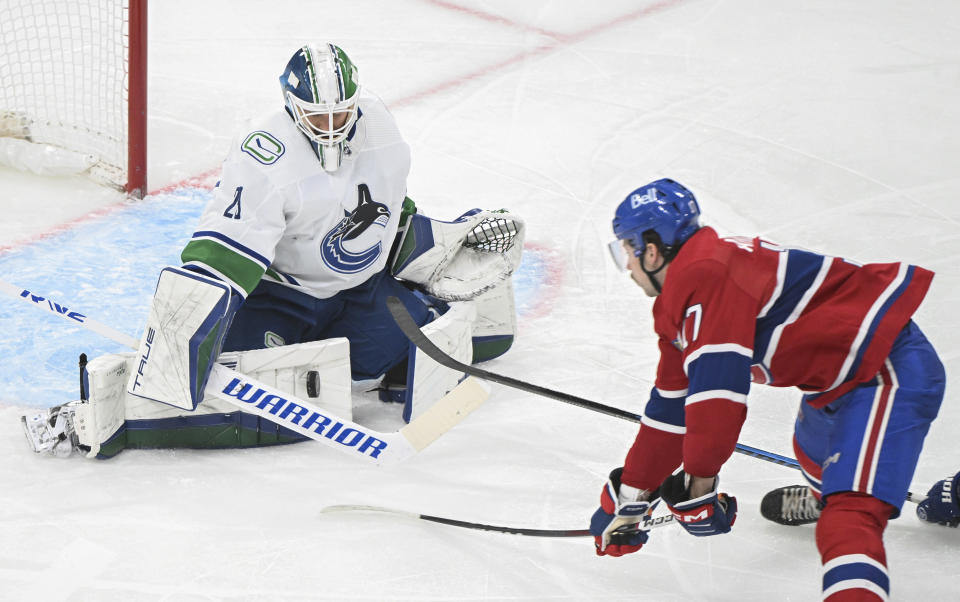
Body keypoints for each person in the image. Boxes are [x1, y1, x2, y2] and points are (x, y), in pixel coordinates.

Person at [22, 42, 524, 459]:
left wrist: (441, 242)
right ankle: (115, 419)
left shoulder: (381, 128)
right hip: (281, 295)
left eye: (340, 113)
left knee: (379, 358)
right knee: (277, 389)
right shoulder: (265, 151)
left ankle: (415, 328)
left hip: (361, 288)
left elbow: (388, 214)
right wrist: (182, 340)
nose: (330, 126)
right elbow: (225, 252)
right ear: (291, 105)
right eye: (316, 115)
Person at [589, 178, 946, 601]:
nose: (626, 265)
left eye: (625, 251)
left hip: (885, 370)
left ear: (650, 250)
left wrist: (699, 484)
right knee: (811, 450)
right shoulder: (689, 292)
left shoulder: (706, 280)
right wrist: (628, 498)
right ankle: (836, 494)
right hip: (838, 380)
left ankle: (843, 509)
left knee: (849, 519)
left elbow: (716, 400)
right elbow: (671, 409)